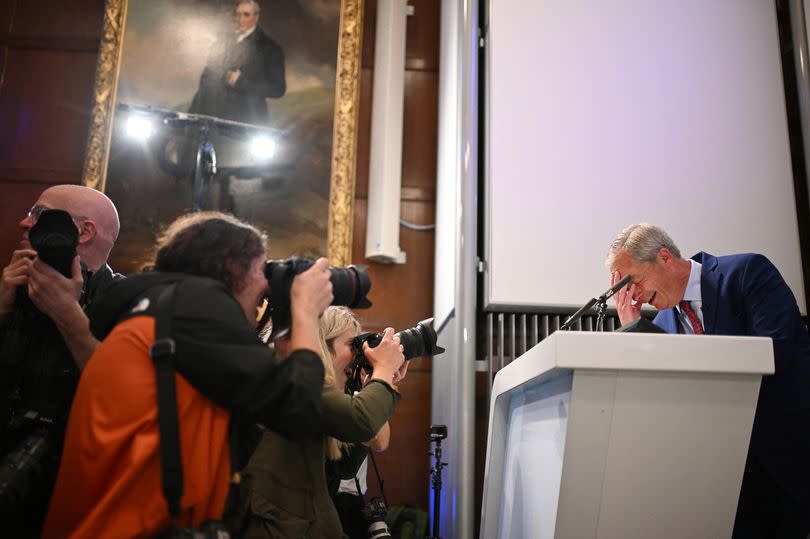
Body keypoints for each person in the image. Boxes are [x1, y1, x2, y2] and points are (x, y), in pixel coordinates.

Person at [41, 212, 332, 539]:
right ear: (234, 268)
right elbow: (297, 408)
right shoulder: (193, 306)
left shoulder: (155, 314)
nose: (267, 283)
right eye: (261, 269)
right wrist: (305, 311)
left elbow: (248, 417)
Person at [606, 222, 810, 538]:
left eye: (636, 283)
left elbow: (778, 352)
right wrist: (635, 331)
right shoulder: (660, 325)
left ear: (664, 258)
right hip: (727, 487)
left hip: (787, 460)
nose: (639, 297)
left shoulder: (746, 272)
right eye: (628, 291)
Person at [0, 184, 121, 535]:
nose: (24, 223)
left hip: (72, 490)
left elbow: (124, 400)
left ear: (83, 232)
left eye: (39, 215)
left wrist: (68, 313)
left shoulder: (126, 302)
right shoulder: (10, 284)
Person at [237, 306, 407, 538]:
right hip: (279, 526)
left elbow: (345, 465)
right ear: (324, 345)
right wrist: (383, 371)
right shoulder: (301, 380)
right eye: (352, 345)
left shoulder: (321, 389)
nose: (359, 355)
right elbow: (362, 421)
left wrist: (379, 381)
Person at [189, 0, 286, 126]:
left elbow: (278, 89)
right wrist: (191, 118)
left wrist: (241, 81)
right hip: (212, 121)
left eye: (246, 15)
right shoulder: (221, 42)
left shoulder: (270, 48)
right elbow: (205, 80)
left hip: (246, 124)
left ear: (256, 17)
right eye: (238, 14)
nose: (241, 19)